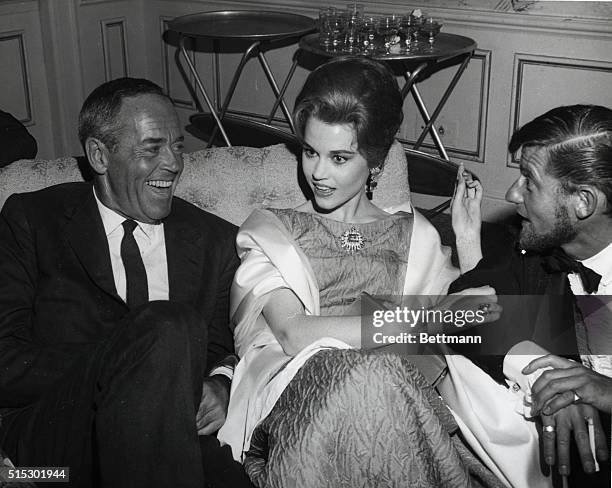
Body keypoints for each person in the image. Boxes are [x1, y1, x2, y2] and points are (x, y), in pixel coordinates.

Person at [217, 56, 502, 487]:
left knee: (383, 380)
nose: (317, 172)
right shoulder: (272, 229)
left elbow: (478, 324)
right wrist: (424, 321)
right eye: (310, 152)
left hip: (399, 410)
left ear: (375, 160)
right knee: (373, 375)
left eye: (339, 158)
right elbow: (295, 334)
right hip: (304, 404)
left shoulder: (415, 236)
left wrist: (467, 241)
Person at [0, 78, 251, 487]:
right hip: (53, 444)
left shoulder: (216, 240)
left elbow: (229, 347)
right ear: (99, 155)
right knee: (168, 326)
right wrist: (126, 366)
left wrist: (221, 385)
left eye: (177, 146)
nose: (172, 163)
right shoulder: (33, 219)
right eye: (152, 148)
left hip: (169, 436)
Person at [449, 104, 612, 486]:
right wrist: (546, 374)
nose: (511, 193)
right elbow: (458, 309)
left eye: (528, 181)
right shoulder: (534, 251)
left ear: (582, 202)